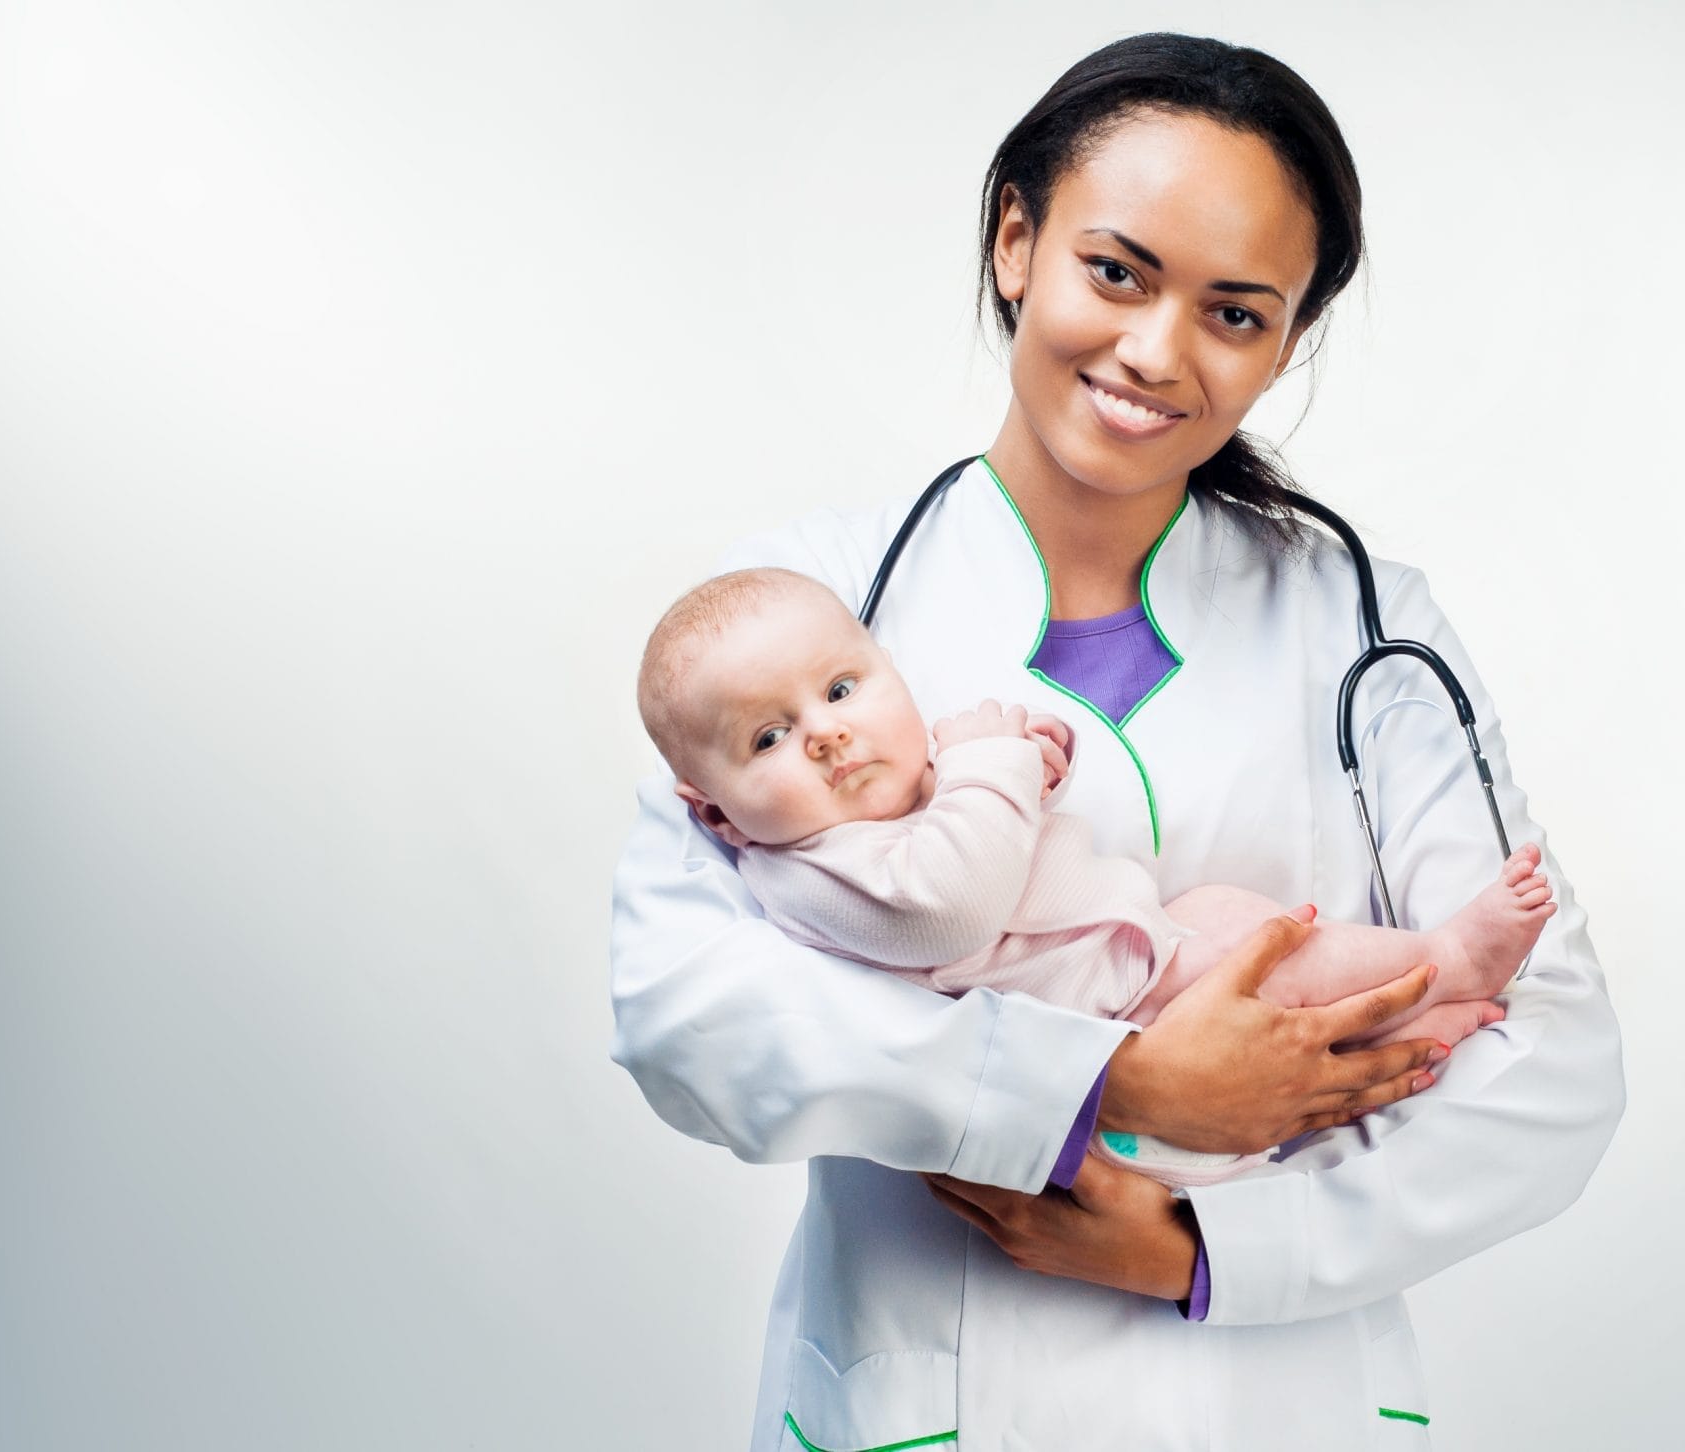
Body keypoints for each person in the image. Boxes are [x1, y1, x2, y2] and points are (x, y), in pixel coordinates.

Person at [609, 32, 1623, 1450]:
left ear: (1284, 345)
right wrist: (1099, 1085)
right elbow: (687, 1014)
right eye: (1118, 271)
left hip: (1281, 1394)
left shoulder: (1371, 628)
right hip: (934, 1394)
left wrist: (1209, 1248)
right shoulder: (803, 619)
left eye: (1236, 311)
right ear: (1017, 240)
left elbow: (1555, 1063)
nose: (1158, 352)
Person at [634, 564, 1553, 1186]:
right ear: (715, 813)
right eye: (769, 738)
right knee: (1265, 960)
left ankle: (1403, 1017)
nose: (825, 733)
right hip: (1107, 1023)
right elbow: (951, 901)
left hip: (1134, 959)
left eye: (840, 691)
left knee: (1246, 934)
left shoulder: (1351, 594)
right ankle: (1448, 958)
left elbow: (983, 821)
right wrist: (993, 760)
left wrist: (1024, 758)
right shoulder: (809, 868)